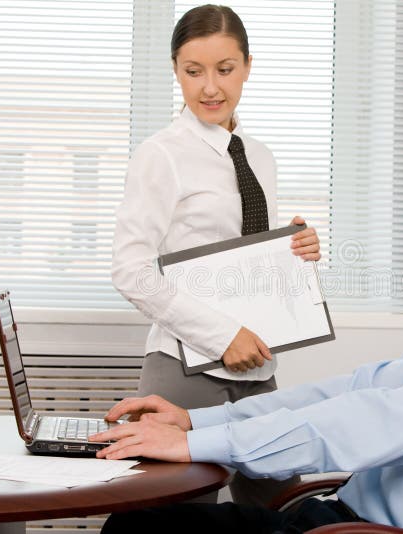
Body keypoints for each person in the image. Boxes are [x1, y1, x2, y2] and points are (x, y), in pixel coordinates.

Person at [95, 167, 403, 533]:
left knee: (138, 532)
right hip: (334, 516)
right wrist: (197, 422)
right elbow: (363, 387)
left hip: (360, 531)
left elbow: (369, 421)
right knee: (143, 521)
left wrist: (192, 447)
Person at [111, 4, 320, 507]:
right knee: (178, 521)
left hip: (257, 367)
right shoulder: (160, 154)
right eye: (193, 71)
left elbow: (239, 256)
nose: (210, 87)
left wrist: (294, 249)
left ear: (248, 65)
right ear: (175, 70)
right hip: (185, 366)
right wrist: (222, 336)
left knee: (277, 510)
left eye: (225, 70)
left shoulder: (258, 154)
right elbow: (131, 270)